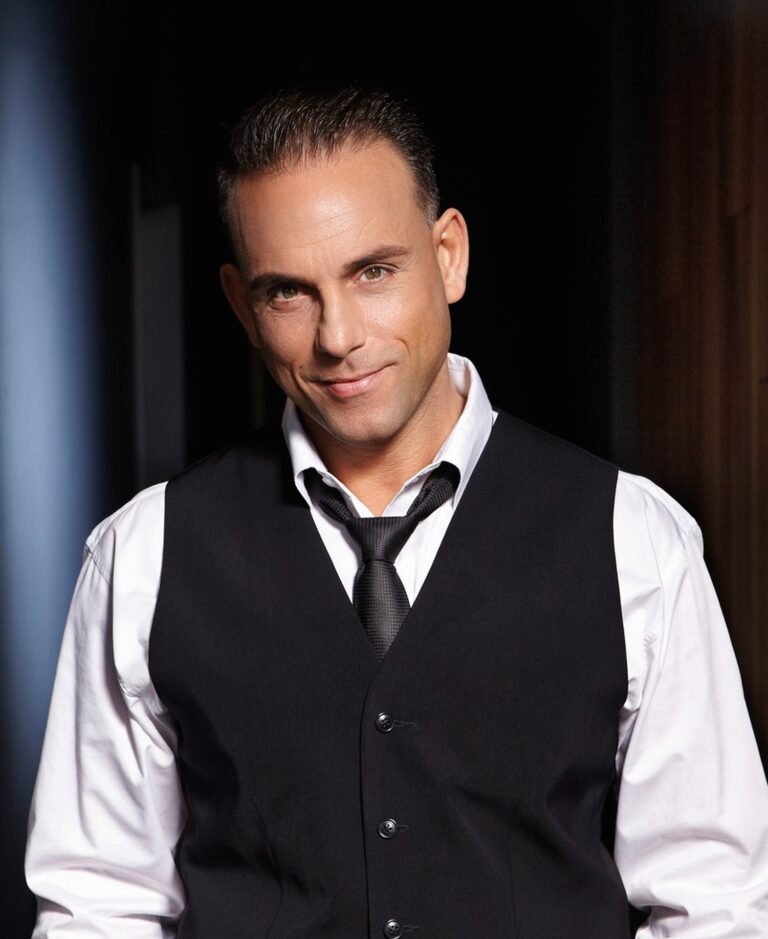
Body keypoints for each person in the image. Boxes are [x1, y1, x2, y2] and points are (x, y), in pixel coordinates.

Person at [24, 84, 768, 938]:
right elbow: (99, 905)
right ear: (240, 304)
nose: (339, 336)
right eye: (287, 292)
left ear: (448, 256)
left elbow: (714, 902)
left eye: (373, 272)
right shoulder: (142, 554)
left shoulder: (635, 537)